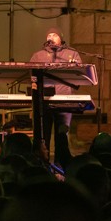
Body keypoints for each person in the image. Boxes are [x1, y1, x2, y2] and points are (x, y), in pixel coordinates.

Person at [28, 27, 82, 167]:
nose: (50, 37)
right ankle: (42, 164)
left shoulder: (72, 53)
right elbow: (30, 75)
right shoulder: (38, 55)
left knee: (61, 134)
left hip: (64, 101)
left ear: (61, 38)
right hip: (44, 101)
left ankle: (61, 164)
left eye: (54, 34)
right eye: (48, 35)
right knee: (43, 134)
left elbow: (79, 73)